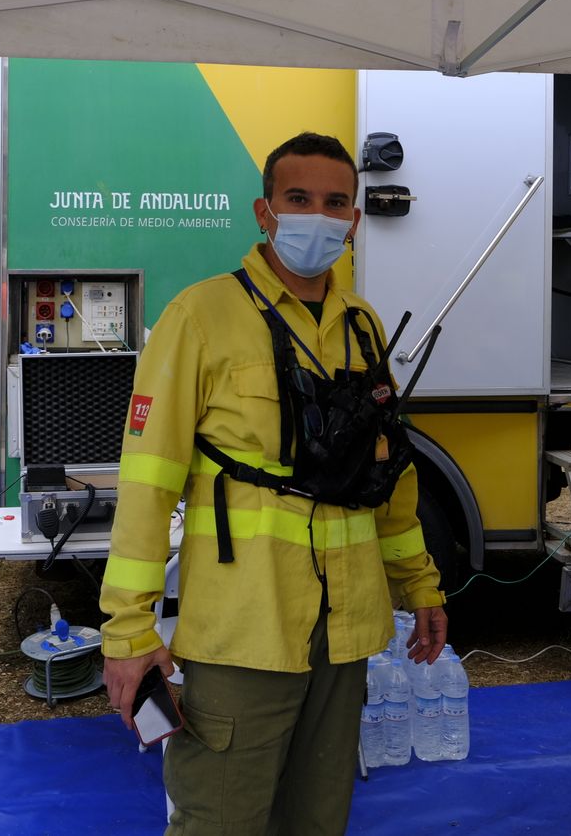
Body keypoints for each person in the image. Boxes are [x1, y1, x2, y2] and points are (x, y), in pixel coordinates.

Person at [99, 132, 447, 835]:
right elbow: (147, 482)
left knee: (318, 819)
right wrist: (129, 629)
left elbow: (386, 481)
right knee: (220, 819)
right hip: (242, 633)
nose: (317, 217)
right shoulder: (200, 317)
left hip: (345, 636)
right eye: (299, 199)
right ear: (264, 212)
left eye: (335, 203)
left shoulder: (362, 327)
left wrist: (421, 584)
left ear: (353, 221)